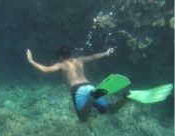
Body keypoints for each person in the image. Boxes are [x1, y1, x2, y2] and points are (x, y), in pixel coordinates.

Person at [26, 46, 173, 122]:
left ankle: (92, 99)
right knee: (110, 110)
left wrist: (31, 60)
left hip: (78, 90)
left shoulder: (61, 65)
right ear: (70, 54)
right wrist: (106, 53)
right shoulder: (79, 60)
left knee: (83, 119)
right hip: (90, 86)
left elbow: (45, 70)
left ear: (59, 56)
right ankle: (126, 97)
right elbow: (94, 57)